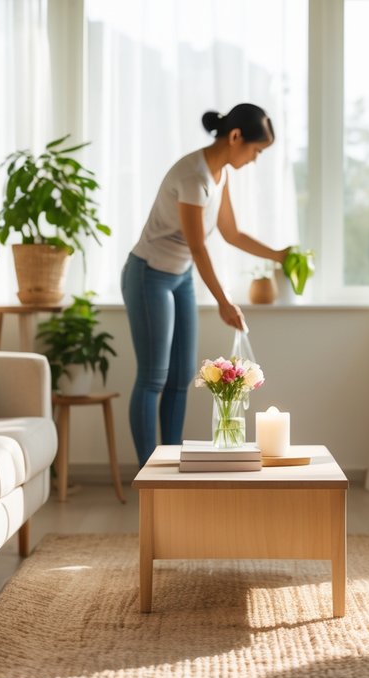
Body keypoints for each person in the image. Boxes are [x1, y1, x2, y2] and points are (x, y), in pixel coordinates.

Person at [121, 103, 290, 466]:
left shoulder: (220, 174)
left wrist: (279, 255)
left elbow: (230, 233)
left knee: (182, 378)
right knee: (154, 377)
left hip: (179, 277)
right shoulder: (193, 177)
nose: (255, 159)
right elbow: (198, 246)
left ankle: (168, 462)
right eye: (256, 151)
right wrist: (224, 302)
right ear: (235, 137)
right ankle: (147, 472)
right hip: (148, 273)